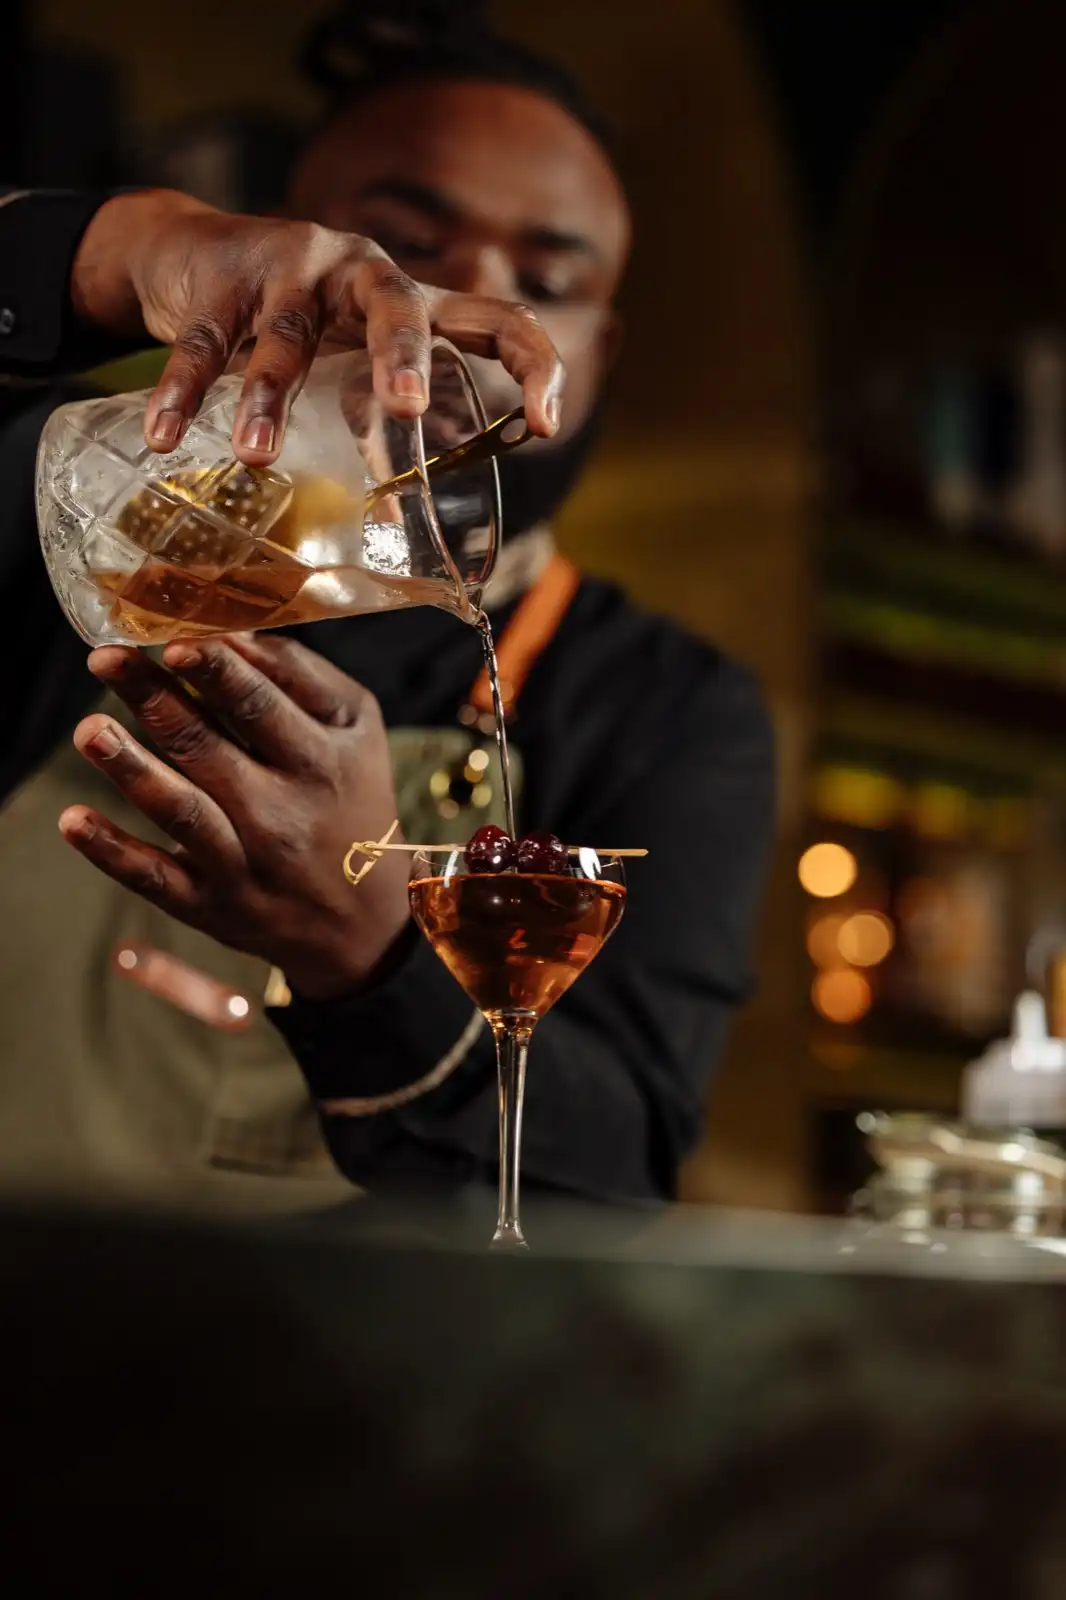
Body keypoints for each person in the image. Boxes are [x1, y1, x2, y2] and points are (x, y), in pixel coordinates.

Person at [0, 5, 774, 1213]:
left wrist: (370, 958)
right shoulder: (80, 525)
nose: (470, 301)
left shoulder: (663, 706)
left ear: (600, 349)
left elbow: (616, 1168)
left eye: (547, 278)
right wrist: (122, 248)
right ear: (293, 257)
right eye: (405, 242)